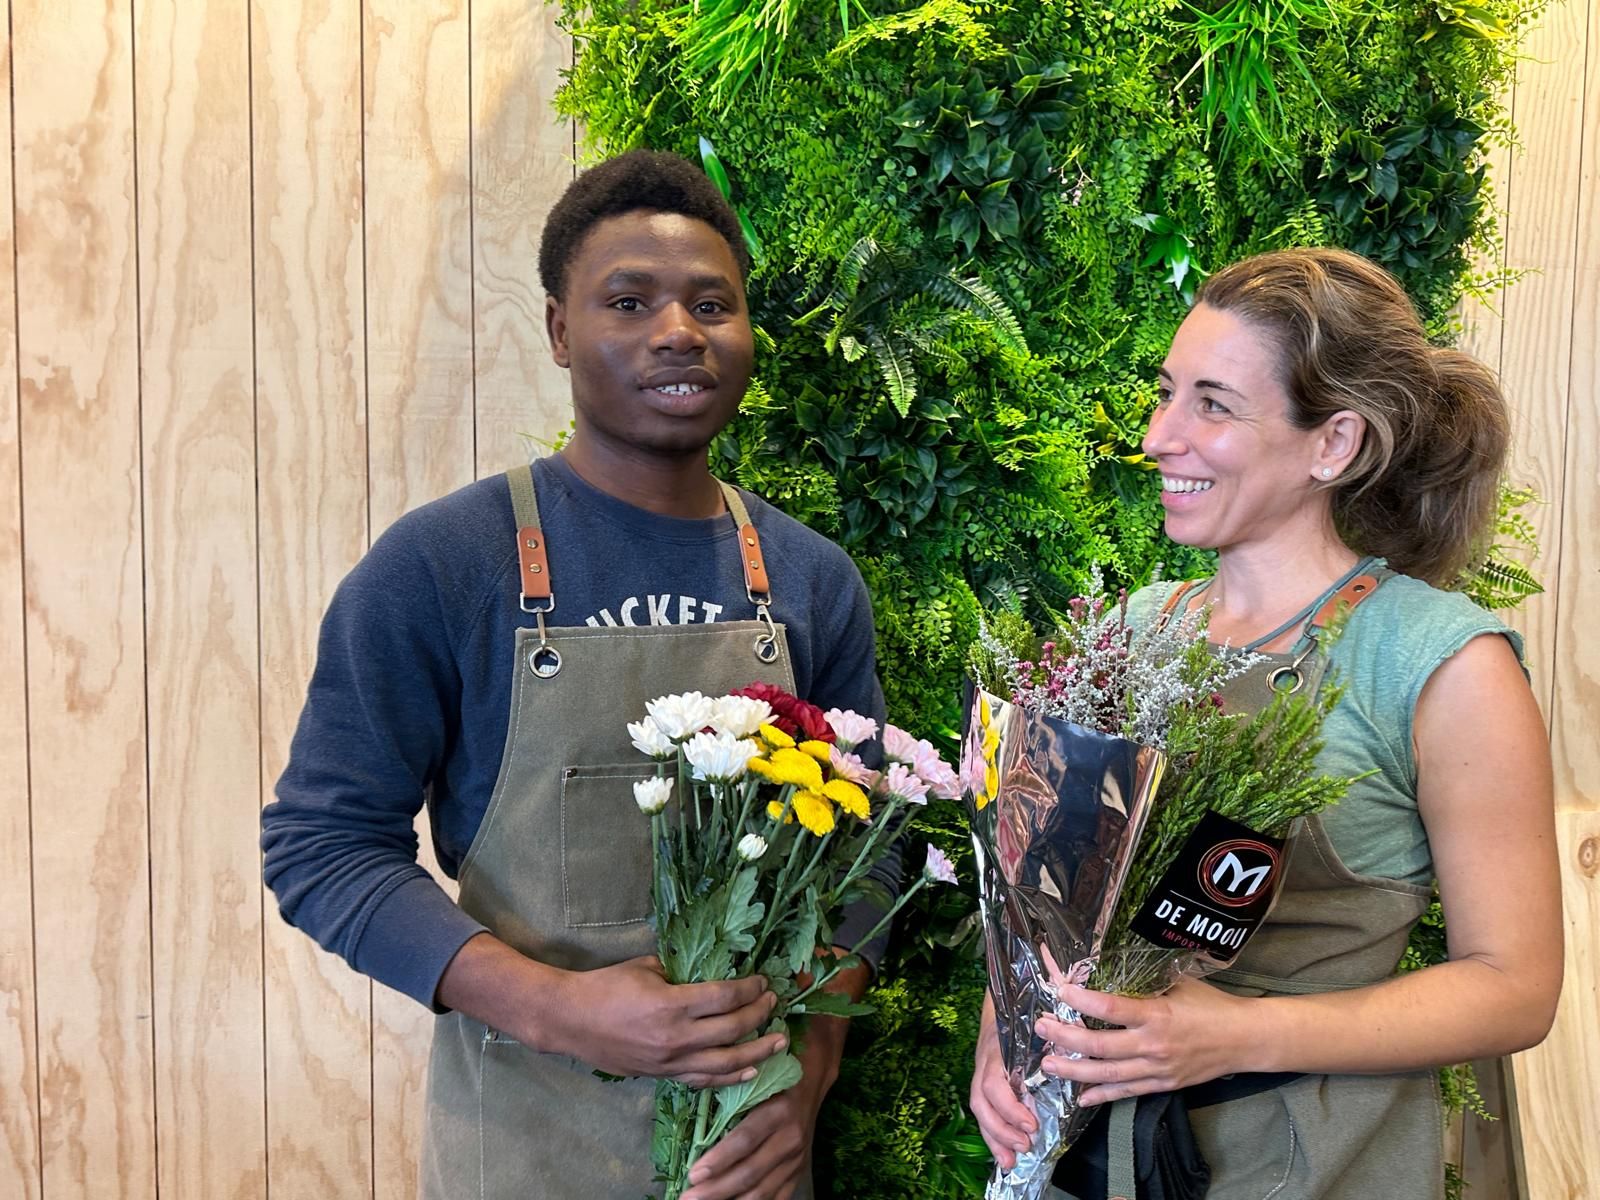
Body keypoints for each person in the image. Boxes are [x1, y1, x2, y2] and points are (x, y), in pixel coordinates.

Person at [262, 149, 889, 1200]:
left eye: (711, 303)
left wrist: (806, 1078)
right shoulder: (442, 567)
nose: (678, 331)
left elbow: (864, 867)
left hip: (747, 1152)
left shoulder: (810, 580)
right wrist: (559, 1007)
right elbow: (320, 844)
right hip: (524, 1140)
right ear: (558, 330)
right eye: (628, 301)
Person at [968, 247, 1562, 1199]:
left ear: (1333, 444)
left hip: (1311, 1164)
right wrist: (1003, 1036)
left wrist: (1231, 1035)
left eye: (1213, 404)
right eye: (1167, 394)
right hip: (1094, 1158)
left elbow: (1514, 987)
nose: (1161, 436)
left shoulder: (1438, 663)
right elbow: (1047, 893)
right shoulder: (1137, 629)